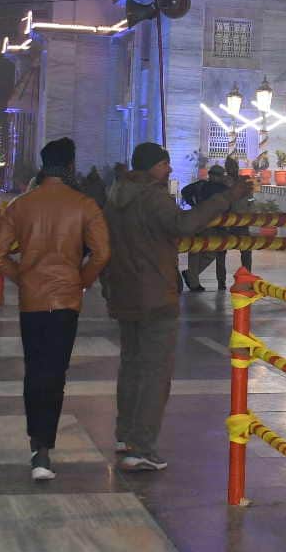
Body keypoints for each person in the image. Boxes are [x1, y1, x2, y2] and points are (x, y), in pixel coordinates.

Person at [100, 143, 252, 472]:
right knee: (156, 372)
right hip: (155, 294)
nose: (169, 170)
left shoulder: (115, 197)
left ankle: (125, 433)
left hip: (125, 291)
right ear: (154, 167)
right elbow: (184, 225)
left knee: (131, 366)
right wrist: (227, 197)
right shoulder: (152, 197)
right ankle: (142, 447)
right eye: (166, 164)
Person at [0, 137, 110, 482]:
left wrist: (24, 279)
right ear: (70, 166)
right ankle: (45, 449)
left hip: (32, 301)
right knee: (56, 373)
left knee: (35, 369)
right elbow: (101, 253)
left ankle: (36, 445)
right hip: (66, 301)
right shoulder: (85, 205)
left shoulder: (21, 206)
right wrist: (81, 281)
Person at [179, 165, 230, 293]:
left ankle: (192, 278)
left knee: (196, 252)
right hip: (212, 225)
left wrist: (193, 204)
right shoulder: (222, 189)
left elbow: (185, 191)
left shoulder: (200, 185)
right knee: (209, 252)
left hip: (198, 223)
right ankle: (192, 279)